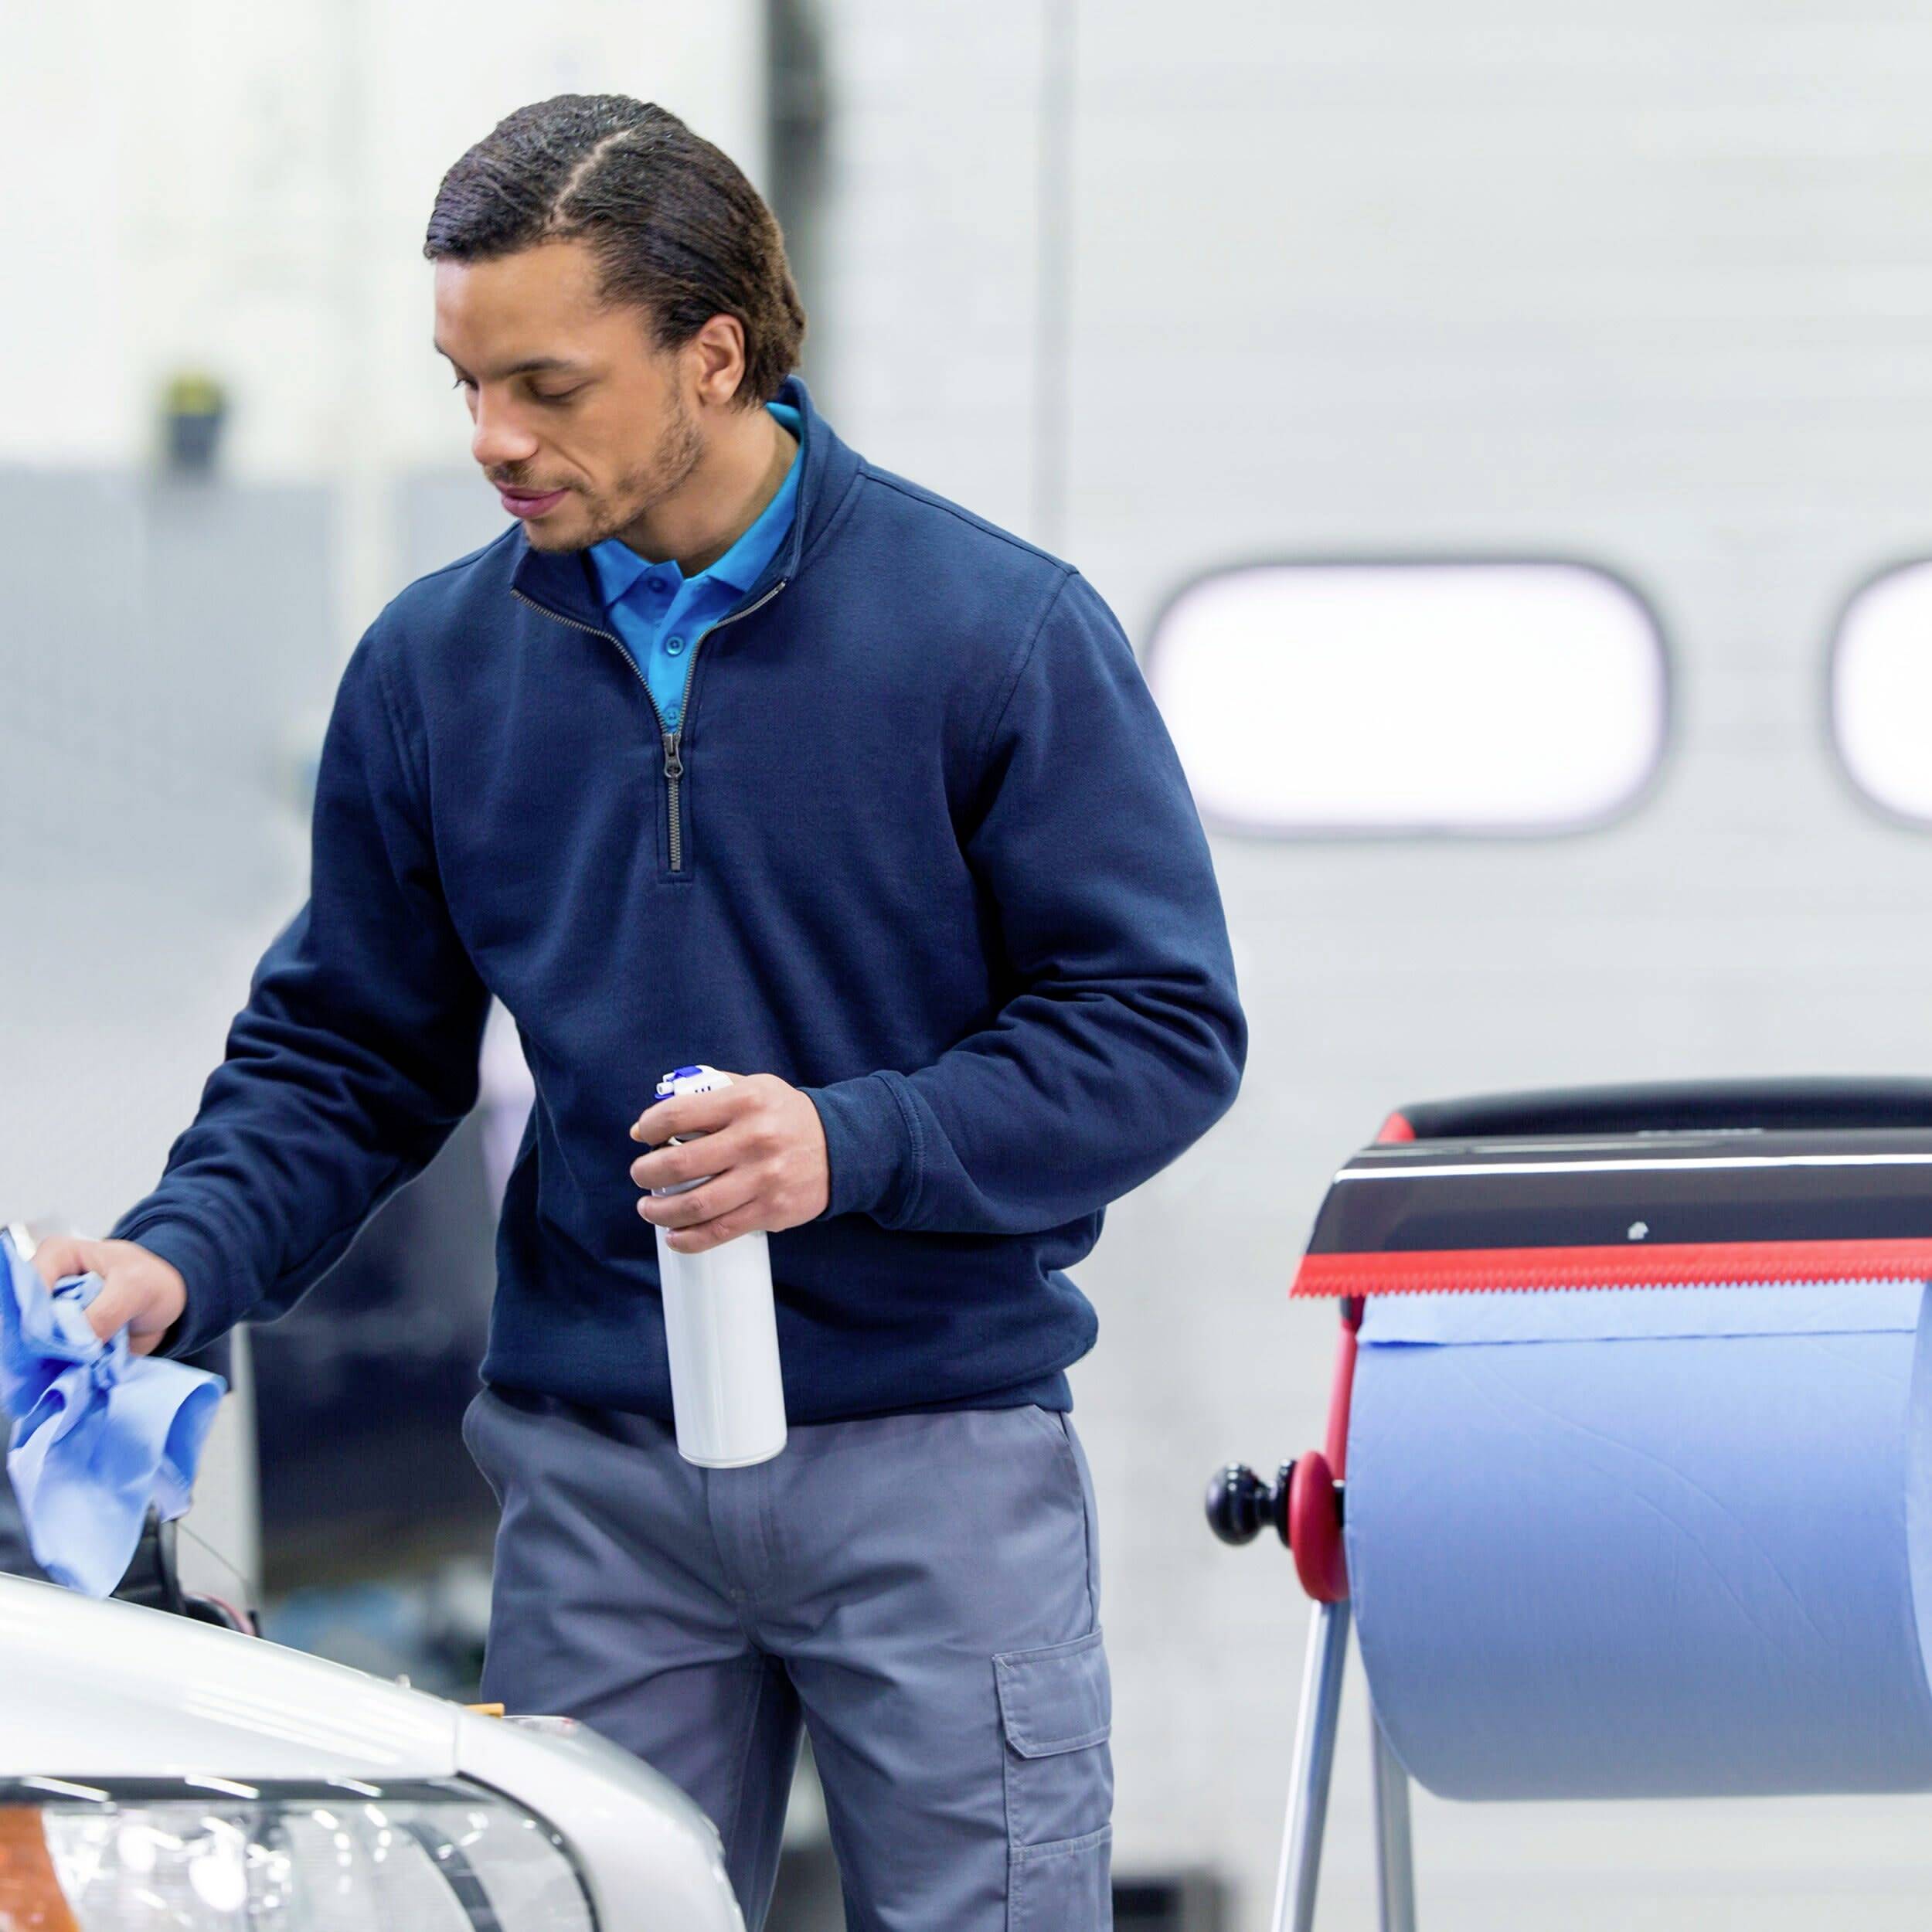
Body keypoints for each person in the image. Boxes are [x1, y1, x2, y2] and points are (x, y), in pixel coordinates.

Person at [32, 94, 1246, 1931]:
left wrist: (849, 1141)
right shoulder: (435, 672)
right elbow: (347, 1050)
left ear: (713, 352)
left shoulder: (990, 636)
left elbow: (1154, 1024)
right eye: (462, 384)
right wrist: (171, 1258)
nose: (492, 441)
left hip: (934, 1468)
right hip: (596, 1483)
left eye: (546, 384)